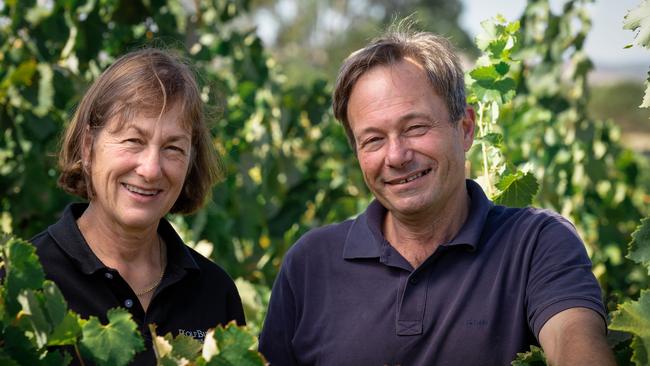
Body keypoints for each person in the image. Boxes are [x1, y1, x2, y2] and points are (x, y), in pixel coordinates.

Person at [258, 30, 616, 365]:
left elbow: (574, 338)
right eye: (373, 140)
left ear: (465, 129)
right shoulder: (310, 265)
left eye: (415, 128)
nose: (396, 156)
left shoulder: (536, 242)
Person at [32, 48, 245, 365]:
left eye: (173, 148)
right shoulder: (26, 280)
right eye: (134, 141)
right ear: (89, 147)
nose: (151, 169)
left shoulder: (215, 293)